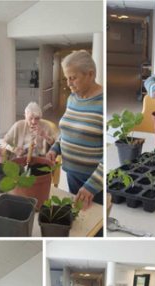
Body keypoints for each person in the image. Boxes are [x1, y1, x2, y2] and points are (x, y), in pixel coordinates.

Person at [46, 50, 103, 210]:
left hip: (94, 181)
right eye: (67, 78)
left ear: (90, 74)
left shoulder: (102, 103)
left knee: (96, 225)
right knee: (80, 218)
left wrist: (92, 185)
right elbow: (66, 131)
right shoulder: (72, 99)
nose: (69, 83)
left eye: (73, 78)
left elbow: (109, 152)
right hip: (72, 173)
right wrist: (55, 149)